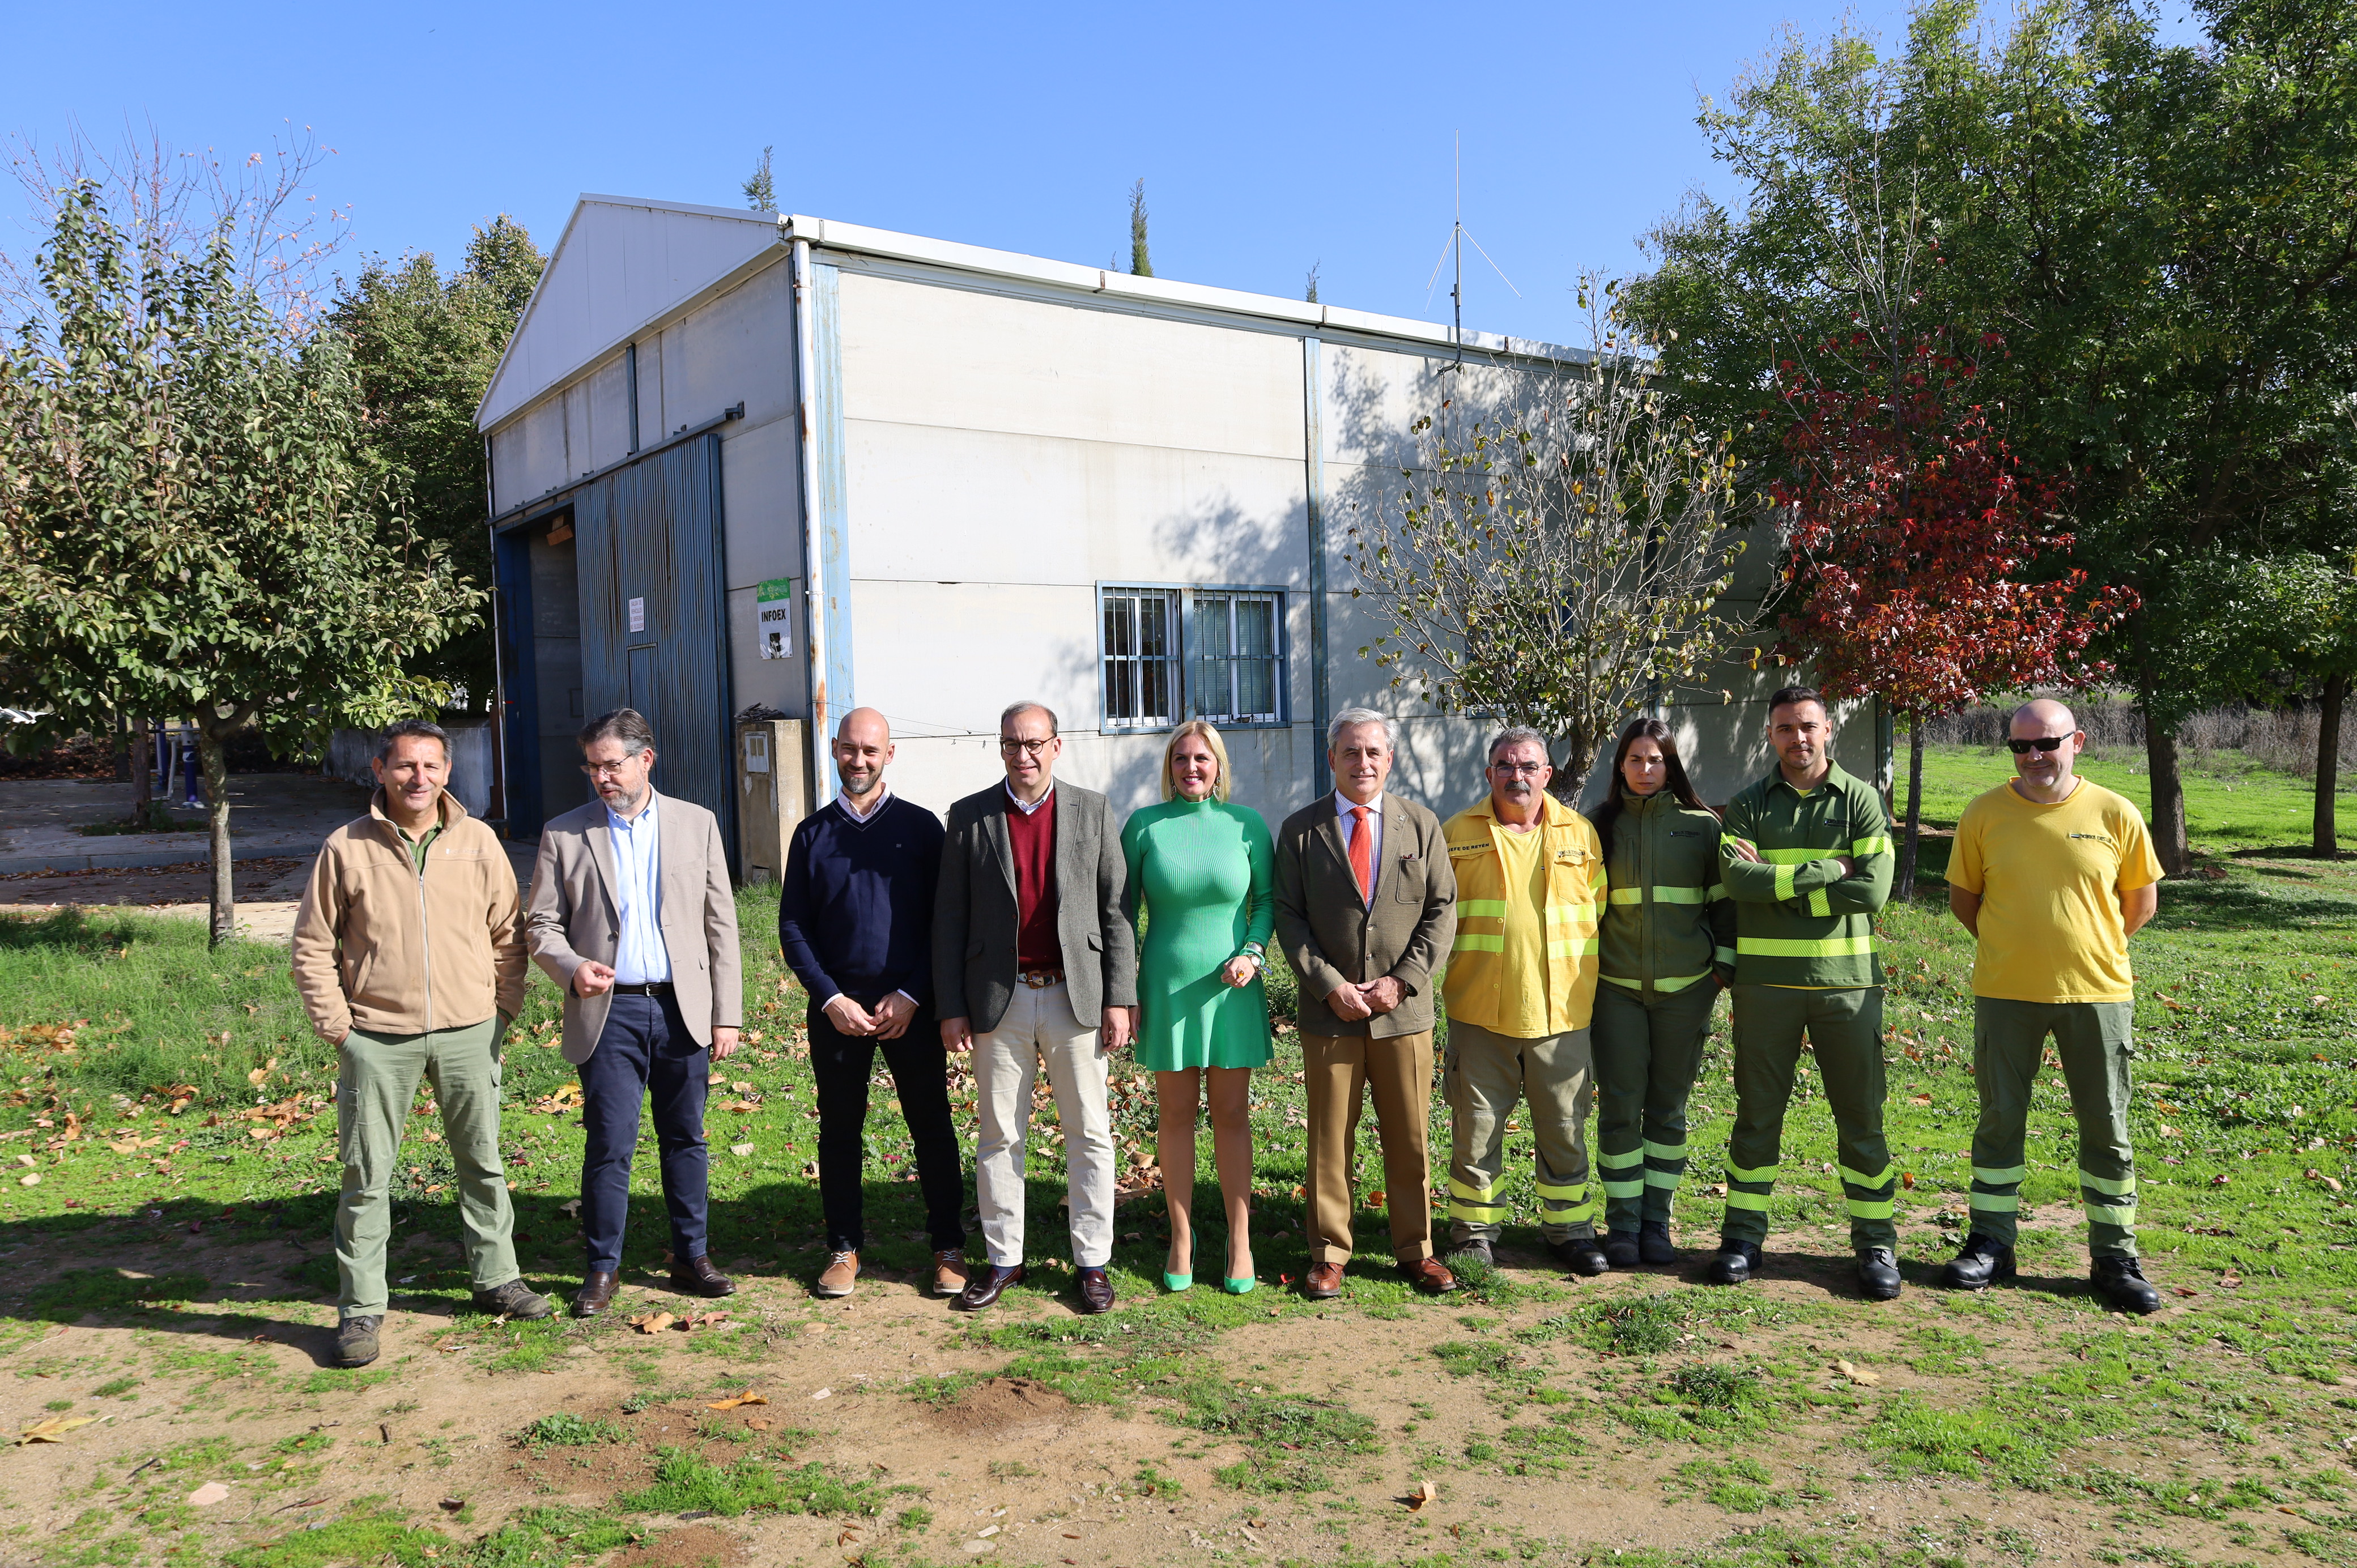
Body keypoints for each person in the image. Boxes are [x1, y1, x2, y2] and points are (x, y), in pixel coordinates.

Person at [291, 719, 547, 1369]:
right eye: (405, 765)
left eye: (431, 766)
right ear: (379, 769)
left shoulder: (479, 841)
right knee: (366, 1174)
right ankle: (361, 1309)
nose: (418, 778)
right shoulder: (346, 848)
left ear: (447, 772)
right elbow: (313, 946)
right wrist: (339, 1028)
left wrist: (501, 1010)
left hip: (468, 1031)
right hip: (376, 1038)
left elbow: (508, 936)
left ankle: (497, 1278)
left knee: (482, 1161)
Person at [1941, 699, 2164, 1314]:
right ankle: (1990, 1242)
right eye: (2020, 746)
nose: (2034, 756)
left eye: (2046, 743)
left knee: (2106, 1126)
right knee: (1998, 1119)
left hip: (2096, 994)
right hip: (2005, 992)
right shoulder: (1984, 812)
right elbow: (1966, 901)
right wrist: (2015, 948)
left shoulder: (2114, 812)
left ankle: (2113, 1257)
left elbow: (2138, 903)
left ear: (2078, 742)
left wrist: (2084, 947)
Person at [525, 709, 743, 1319]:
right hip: (607, 1012)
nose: (600, 777)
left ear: (646, 759)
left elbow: (720, 923)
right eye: (592, 766)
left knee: (686, 1138)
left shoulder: (696, 824)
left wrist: (727, 1014)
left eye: (611, 764)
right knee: (610, 1143)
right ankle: (602, 1266)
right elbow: (540, 924)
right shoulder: (564, 833)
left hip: (681, 1009)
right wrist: (571, 966)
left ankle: (691, 1254)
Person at [933, 701, 1138, 1314]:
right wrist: (950, 1005)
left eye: (1033, 743)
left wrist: (1120, 996)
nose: (1022, 755)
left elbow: (1116, 912)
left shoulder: (1092, 810)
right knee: (999, 1135)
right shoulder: (969, 817)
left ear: (1056, 746)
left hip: (1077, 998)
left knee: (1090, 1135)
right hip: (999, 999)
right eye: (1010, 744)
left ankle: (1092, 1262)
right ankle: (1004, 1259)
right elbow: (949, 920)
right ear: (1000, 748)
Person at [1711, 687, 1901, 1299]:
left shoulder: (1861, 800)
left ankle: (1875, 1243)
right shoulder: (1744, 804)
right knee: (1755, 1118)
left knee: (1861, 1120)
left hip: (1846, 988)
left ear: (1828, 731)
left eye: (1808, 726)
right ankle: (1741, 1236)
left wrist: (1778, 884)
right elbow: (1737, 880)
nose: (1798, 738)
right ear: (1770, 734)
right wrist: (1827, 870)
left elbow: (1871, 893)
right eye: (1785, 728)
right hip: (1764, 989)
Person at [777, 708, 964, 1301]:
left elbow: (944, 921)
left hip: (908, 1008)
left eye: (870, 750)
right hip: (838, 1013)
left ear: (890, 754)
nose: (858, 760)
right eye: (849, 749)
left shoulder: (921, 828)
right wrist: (829, 997)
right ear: (834, 749)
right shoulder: (812, 833)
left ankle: (947, 1246)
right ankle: (843, 1246)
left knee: (931, 1127)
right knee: (838, 1130)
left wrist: (913, 993)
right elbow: (791, 926)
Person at [1274, 708, 1460, 1300]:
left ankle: (1416, 1249)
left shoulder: (1421, 824)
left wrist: (1400, 981)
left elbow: (1441, 910)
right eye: (1350, 752)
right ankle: (1329, 1252)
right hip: (1330, 1010)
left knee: (1408, 1136)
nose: (1362, 762)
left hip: (1402, 1013)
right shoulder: (1301, 830)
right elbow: (1289, 916)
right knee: (1330, 1138)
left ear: (1390, 759)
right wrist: (1328, 982)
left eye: (1373, 752)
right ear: (1331, 758)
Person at [1438, 727, 1610, 1276]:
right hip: (1478, 1010)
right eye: (1504, 765)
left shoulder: (1579, 833)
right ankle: (1473, 1234)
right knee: (1476, 1130)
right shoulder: (1455, 833)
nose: (1517, 775)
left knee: (1563, 1128)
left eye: (1528, 765)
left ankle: (1570, 1231)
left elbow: (1598, 907)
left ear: (1547, 774)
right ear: (1487, 773)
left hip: (1561, 1013)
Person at [1121, 720, 1274, 1294]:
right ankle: (1180, 1239)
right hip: (1167, 989)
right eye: (1181, 758)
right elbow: (1120, 913)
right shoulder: (1143, 826)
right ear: (1169, 766)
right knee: (1175, 1116)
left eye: (1202, 759)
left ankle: (1240, 1240)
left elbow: (1267, 901)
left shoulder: (1247, 825)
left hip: (1231, 989)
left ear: (1218, 766)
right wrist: (1125, 986)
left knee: (1232, 1116)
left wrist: (1253, 953)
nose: (1191, 767)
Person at [1589, 718, 1737, 1268]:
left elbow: (1726, 908)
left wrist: (1719, 973)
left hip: (1685, 994)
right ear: (1619, 765)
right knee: (1621, 1111)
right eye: (1634, 759)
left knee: (1668, 1112)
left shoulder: (1702, 827)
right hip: (1616, 994)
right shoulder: (1596, 826)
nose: (1645, 769)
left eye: (1655, 759)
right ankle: (1622, 1225)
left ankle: (1657, 1222)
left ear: (1670, 764)